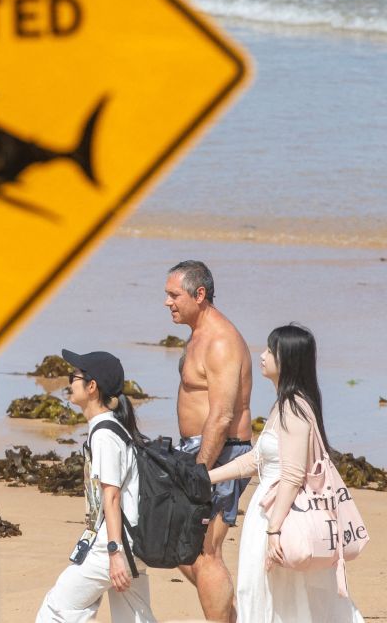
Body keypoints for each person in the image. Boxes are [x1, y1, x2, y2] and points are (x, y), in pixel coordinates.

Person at [206, 324, 365, 622]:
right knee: (282, 598)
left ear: (287, 359)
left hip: (280, 515)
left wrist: (273, 530)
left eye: (270, 350)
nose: (263, 355)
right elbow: (257, 460)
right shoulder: (287, 403)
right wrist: (207, 477)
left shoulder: (293, 407)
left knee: (266, 595)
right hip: (275, 511)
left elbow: (292, 476)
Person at [36, 349, 157, 623]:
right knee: (134, 618)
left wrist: (114, 554)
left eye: (73, 376)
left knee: (57, 610)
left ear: (92, 387)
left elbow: (111, 496)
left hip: (115, 545)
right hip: (133, 542)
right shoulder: (113, 428)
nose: (68, 383)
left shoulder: (104, 434)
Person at [164, 260, 253, 622]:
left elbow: (222, 416)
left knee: (205, 552)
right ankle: (231, 615)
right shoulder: (198, 331)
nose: (167, 302)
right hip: (198, 451)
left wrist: (199, 471)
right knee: (179, 546)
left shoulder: (220, 340)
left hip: (220, 452)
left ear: (199, 295)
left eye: (174, 295)